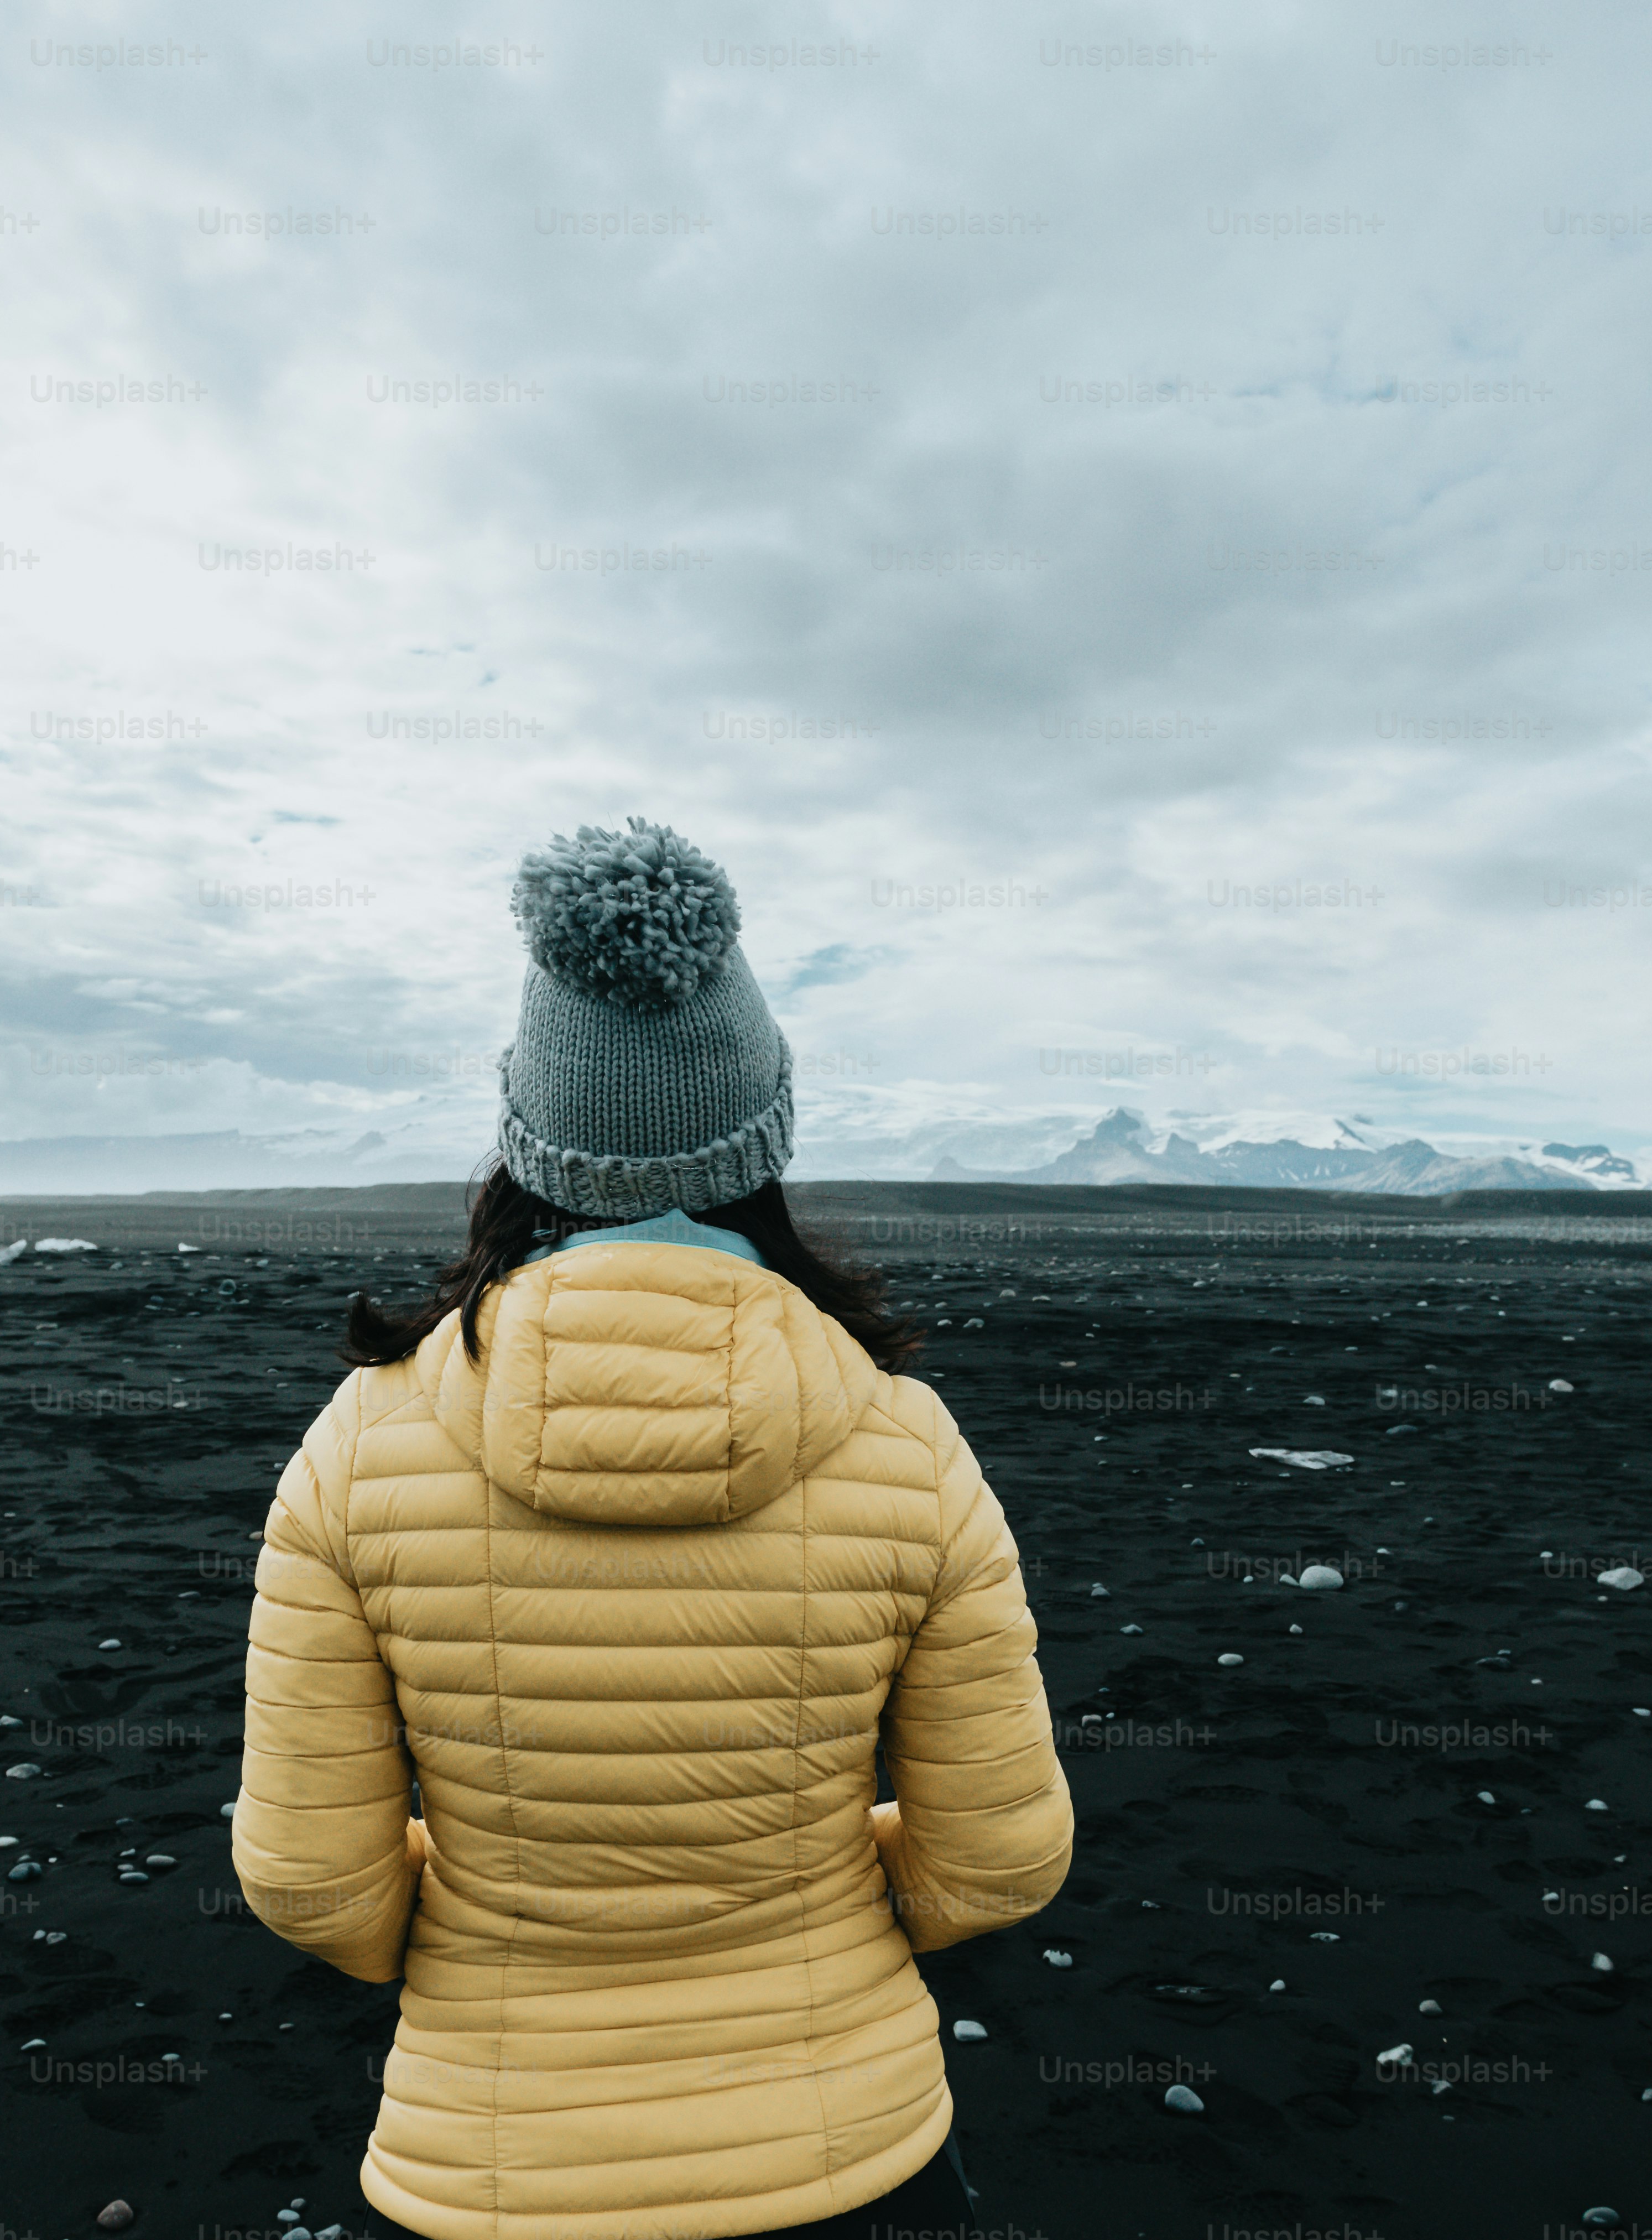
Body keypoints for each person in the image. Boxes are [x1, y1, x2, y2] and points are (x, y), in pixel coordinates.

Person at [230, 819, 1073, 2240]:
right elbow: (996, 1863)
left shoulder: (359, 1445)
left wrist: (482, 1913)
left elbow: (318, 1887)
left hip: (487, 2169)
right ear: (764, 1139)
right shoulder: (904, 1441)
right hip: (846, 2153)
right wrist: (810, 1907)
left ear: (521, 1137)